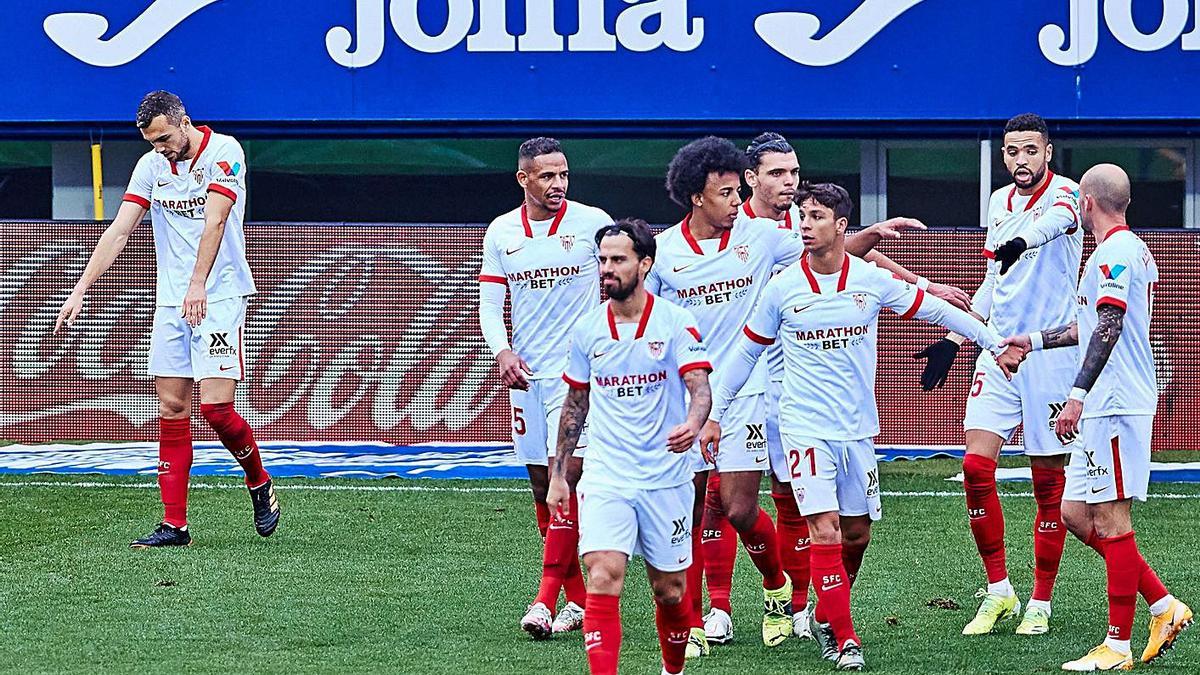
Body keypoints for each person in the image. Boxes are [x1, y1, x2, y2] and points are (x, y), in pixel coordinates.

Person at [704, 182, 1004, 671]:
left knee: (856, 535)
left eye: (816, 216)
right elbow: (744, 354)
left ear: (841, 226)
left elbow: (935, 309)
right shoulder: (782, 288)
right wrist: (715, 414)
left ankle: (827, 608)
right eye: (802, 216)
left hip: (857, 431)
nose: (804, 225)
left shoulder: (869, 279)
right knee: (824, 529)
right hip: (804, 429)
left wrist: (994, 342)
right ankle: (844, 638)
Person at [54, 90, 278, 547]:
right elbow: (119, 230)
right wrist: (80, 290)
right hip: (172, 302)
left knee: (215, 408)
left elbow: (215, 221)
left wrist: (197, 285)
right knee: (172, 408)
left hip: (218, 294)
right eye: (152, 141)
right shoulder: (151, 166)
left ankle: (258, 480)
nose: (160, 147)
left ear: (184, 121)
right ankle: (175, 525)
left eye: (164, 138)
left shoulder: (224, 151)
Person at [996, 164, 1190, 671]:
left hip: (1116, 405)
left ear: (1086, 202)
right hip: (1101, 407)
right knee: (1076, 515)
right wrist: (1033, 341)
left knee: (1111, 519)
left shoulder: (1118, 252)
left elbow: (1109, 323)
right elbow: (1089, 324)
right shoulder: (1112, 252)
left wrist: (1077, 393)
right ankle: (1165, 605)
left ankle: (1117, 645)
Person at [914, 113, 1083, 636]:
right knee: (976, 469)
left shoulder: (1070, 195)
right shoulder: (997, 202)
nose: (1020, 161)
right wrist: (957, 337)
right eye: (1012, 151)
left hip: (1049, 357)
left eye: (1030, 150)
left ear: (1048, 153)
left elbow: (1057, 222)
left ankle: (1041, 600)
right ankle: (998, 592)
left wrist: (1022, 243)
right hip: (998, 352)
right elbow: (994, 281)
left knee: (1047, 486)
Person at [546, 218, 713, 675]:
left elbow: (699, 388)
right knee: (603, 575)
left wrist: (693, 424)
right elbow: (575, 402)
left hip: (666, 478)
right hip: (607, 475)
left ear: (645, 264)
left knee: (671, 592)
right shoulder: (586, 330)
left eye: (617, 259)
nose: (606, 269)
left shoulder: (676, 322)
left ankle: (672, 669)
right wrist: (560, 474)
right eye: (602, 260)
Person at [478, 137, 614, 638]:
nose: (558, 184)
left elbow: (628, 273)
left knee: (566, 475)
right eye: (547, 176)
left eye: (563, 174)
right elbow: (491, 304)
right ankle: (578, 601)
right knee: (542, 484)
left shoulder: (591, 222)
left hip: (577, 377)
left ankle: (544, 598)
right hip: (527, 377)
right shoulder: (501, 231)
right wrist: (502, 351)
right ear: (524, 179)